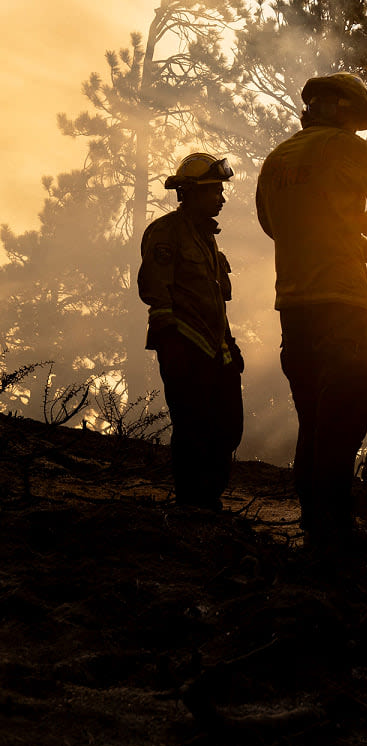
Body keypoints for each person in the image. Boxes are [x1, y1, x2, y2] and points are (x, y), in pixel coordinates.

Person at [255, 72, 367, 556]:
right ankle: (338, 533)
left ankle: (314, 525)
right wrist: (364, 228)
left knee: (313, 418)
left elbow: (280, 227)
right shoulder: (344, 147)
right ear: (344, 112)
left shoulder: (278, 159)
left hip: (294, 307)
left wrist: (361, 246)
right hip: (340, 305)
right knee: (344, 414)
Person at [137, 153, 245, 510]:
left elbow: (214, 299)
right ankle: (192, 505)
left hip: (215, 349)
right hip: (183, 343)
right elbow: (157, 290)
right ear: (192, 193)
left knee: (228, 427)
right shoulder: (167, 233)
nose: (222, 199)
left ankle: (209, 500)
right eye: (215, 191)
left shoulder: (207, 239)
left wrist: (229, 344)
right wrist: (172, 345)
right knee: (193, 426)